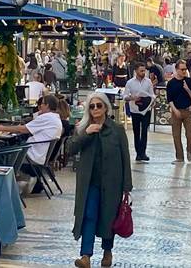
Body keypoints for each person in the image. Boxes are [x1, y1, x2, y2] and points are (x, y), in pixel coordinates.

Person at [69, 92, 132, 268]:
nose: (95, 109)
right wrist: (86, 133)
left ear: (105, 107)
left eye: (99, 105)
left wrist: (127, 185)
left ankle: (107, 251)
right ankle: (86, 256)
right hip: (90, 183)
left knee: (108, 218)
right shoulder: (83, 127)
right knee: (89, 216)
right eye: (92, 106)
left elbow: (125, 157)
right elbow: (71, 148)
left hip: (112, 182)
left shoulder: (117, 129)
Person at [0, 93, 62, 190]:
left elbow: (24, 129)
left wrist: (2, 128)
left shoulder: (46, 117)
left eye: (42, 104)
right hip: (39, 155)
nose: (40, 106)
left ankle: (0, 184)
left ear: (47, 105)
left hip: (30, 155)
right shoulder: (54, 118)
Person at [166, 59, 191, 163]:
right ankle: (179, 157)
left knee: (190, 134)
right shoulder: (171, 83)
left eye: (185, 69)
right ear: (176, 69)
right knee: (176, 135)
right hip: (176, 111)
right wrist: (175, 110)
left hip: (188, 111)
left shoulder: (189, 81)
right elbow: (169, 99)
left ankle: (189, 149)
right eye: (182, 69)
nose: (184, 71)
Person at [123, 63, 155, 162]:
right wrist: (132, 97)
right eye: (141, 71)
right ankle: (138, 153)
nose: (143, 72)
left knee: (144, 131)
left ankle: (143, 152)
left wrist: (152, 100)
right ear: (136, 71)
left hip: (146, 110)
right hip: (135, 110)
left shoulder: (148, 82)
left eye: (144, 70)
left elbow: (151, 94)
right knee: (136, 132)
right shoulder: (130, 83)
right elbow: (125, 96)